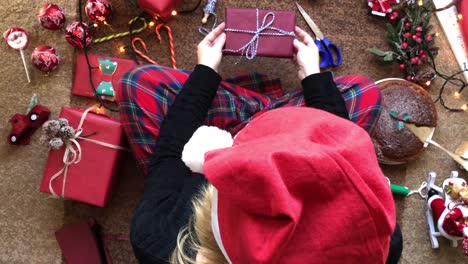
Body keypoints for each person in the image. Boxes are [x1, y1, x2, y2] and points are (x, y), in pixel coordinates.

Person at [117, 23, 402, 263]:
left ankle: (251, 107)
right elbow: (345, 145)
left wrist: (205, 72)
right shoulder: (380, 241)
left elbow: (168, 157)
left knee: (136, 82)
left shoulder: (157, 240)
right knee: (365, 93)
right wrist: (313, 77)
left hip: (224, 134)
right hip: (292, 128)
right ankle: (267, 106)